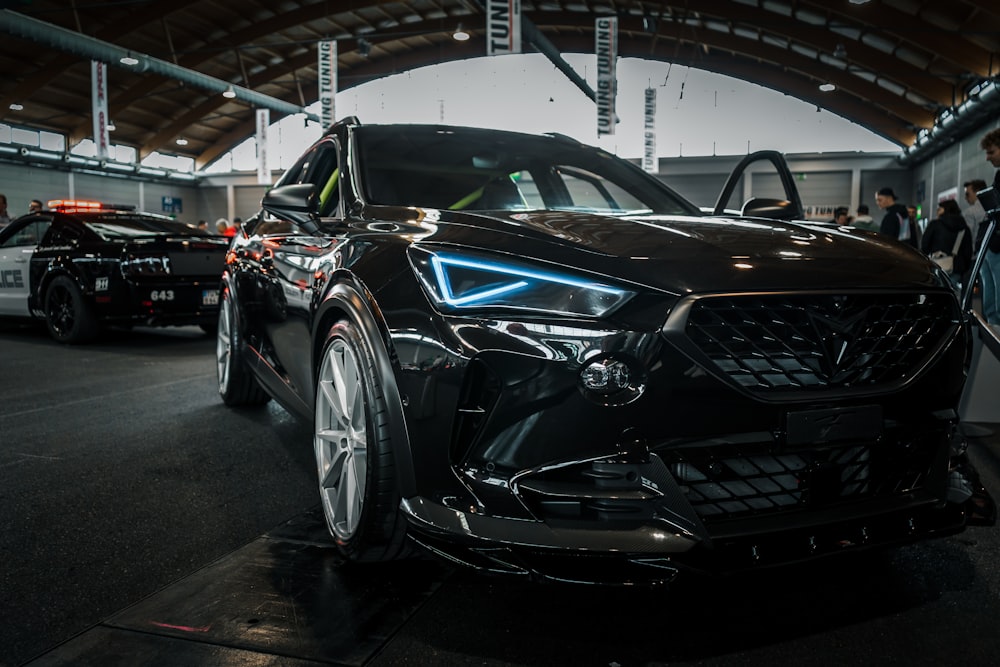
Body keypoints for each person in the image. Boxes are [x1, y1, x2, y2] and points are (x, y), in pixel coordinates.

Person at [976, 128, 1000, 325]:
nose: (987, 158)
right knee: (991, 303)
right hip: (991, 244)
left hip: (997, 245)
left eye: (991, 152)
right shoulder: (999, 177)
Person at [921, 199, 972, 287]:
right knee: (952, 294)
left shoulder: (935, 224)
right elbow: (968, 251)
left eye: (939, 209)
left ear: (944, 210)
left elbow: (924, 246)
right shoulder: (964, 228)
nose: (937, 211)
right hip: (957, 268)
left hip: (937, 266)